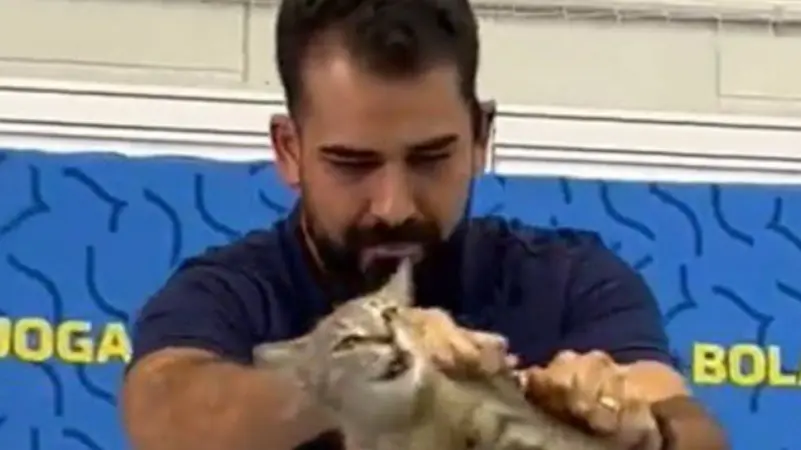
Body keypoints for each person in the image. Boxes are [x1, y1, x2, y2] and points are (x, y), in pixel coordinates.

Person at [120, 0, 729, 448]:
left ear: (481, 136)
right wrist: (355, 367)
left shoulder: (570, 281)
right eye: (352, 164)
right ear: (289, 150)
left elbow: (692, 428)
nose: (394, 205)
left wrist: (638, 426)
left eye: (431, 158)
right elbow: (166, 415)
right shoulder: (228, 292)